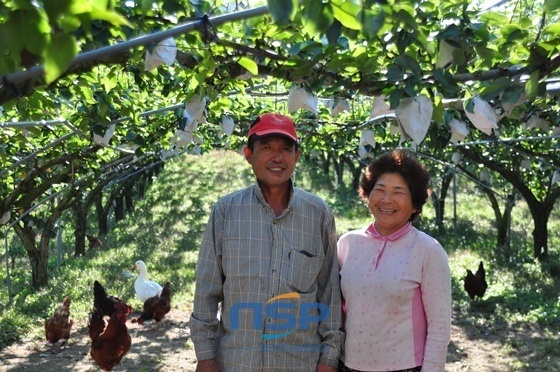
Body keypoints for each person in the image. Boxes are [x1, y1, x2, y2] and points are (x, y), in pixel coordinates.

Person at [190, 113, 344, 372]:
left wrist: (329, 358)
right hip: (237, 363)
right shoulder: (226, 211)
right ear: (248, 154)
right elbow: (207, 289)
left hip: (299, 362)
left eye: (286, 149)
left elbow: (330, 291)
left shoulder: (317, 213)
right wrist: (205, 355)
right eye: (267, 148)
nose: (277, 157)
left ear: (297, 156)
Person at [337, 149, 451, 372]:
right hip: (350, 365)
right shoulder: (347, 243)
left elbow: (439, 327)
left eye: (398, 192)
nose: (387, 199)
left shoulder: (427, 250)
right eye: (379, 190)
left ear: (415, 205)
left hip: (405, 367)